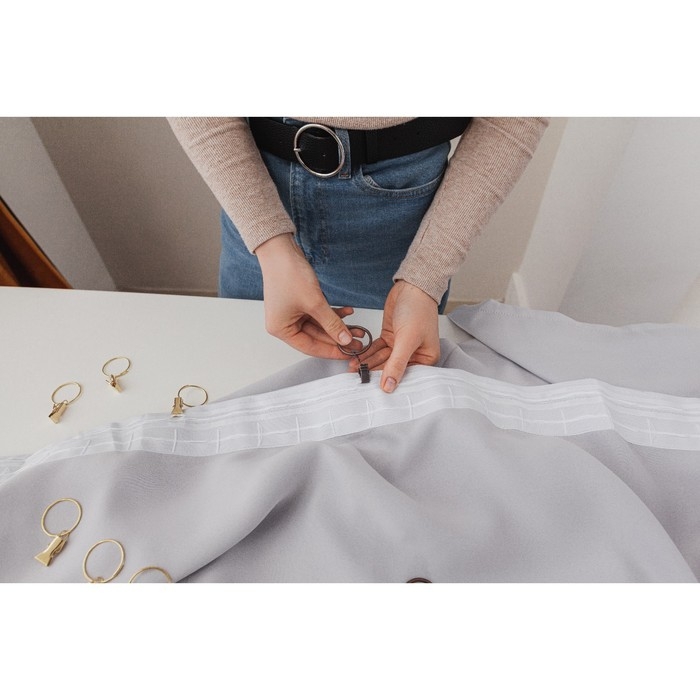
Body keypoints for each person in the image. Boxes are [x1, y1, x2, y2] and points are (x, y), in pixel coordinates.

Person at [168, 117, 549, 393]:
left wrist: (425, 275)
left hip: (397, 204)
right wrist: (267, 242)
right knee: (238, 373)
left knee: (383, 392)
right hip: (249, 180)